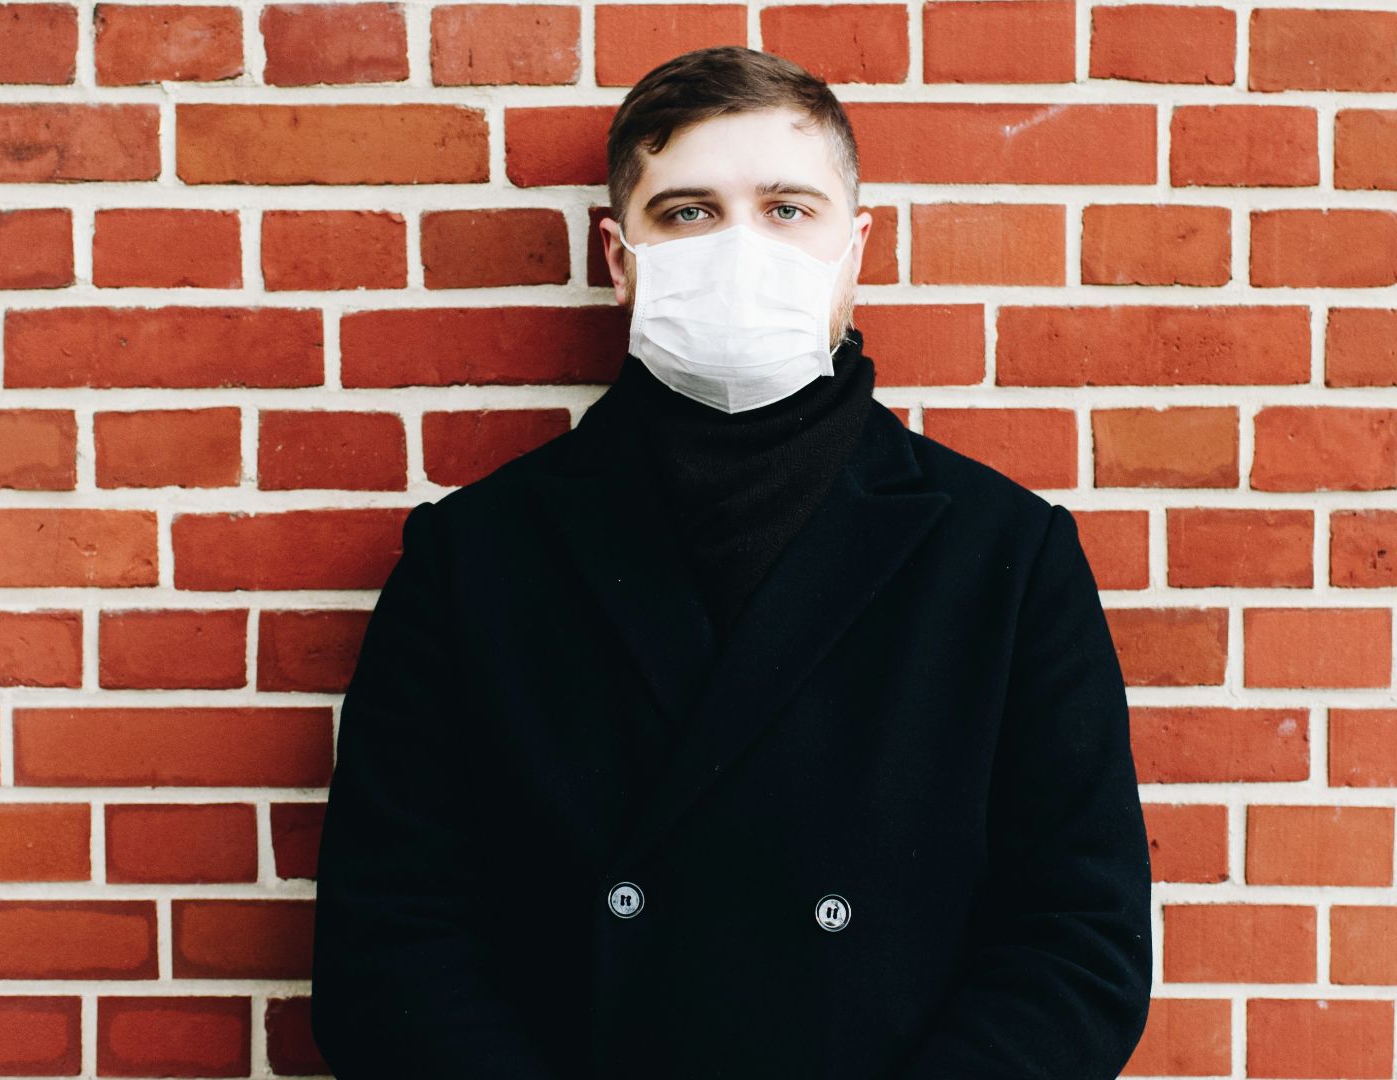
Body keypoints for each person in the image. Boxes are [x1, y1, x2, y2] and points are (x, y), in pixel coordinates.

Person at [310, 45, 1153, 1080]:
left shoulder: (1003, 558)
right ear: (621, 259)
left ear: (856, 246)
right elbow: (390, 944)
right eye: (689, 212)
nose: (740, 248)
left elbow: (1079, 940)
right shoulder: (474, 559)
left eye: (788, 209)